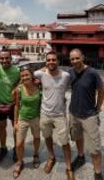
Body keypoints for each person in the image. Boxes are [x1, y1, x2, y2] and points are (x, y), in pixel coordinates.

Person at [34, 51, 75, 180]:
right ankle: (51, 157)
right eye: (49, 60)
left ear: (58, 61)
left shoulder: (66, 75)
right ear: (46, 62)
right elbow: (26, 75)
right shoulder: (40, 74)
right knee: (47, 137)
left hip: (60, 114)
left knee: (64, 142)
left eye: (54, 60)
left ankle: (69, 167)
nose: (51, 62)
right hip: (45, 112)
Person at [68, 49, 104, 180]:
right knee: (77, 137)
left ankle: (98, 172)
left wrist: (98, 108)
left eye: (77, 58)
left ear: (83, 57)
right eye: (72, 59)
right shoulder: (70, 72)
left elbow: (101, 91)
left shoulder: (92, 73)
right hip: (73, 112)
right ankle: (80, 156)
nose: (75, 61)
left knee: (95, 148)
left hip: (89, 114)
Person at [12, 66, 41, 178]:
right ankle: (20, 161)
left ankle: (35, 154)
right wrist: (15, 122)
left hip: (35, 118)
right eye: (22, 75)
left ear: (31, 76)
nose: (24, 77)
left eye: (26, 75)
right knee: (19, 143)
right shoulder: (19, 89)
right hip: (23, 118)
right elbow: (16, 106)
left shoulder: (39, 86)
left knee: (37, 138)